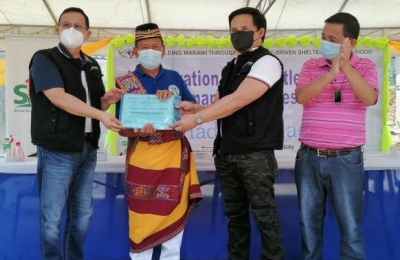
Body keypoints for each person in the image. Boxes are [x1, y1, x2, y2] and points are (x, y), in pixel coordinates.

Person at [170, 7, 285, 260]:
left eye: (245, 30)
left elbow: (238, 101)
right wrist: (197, 108)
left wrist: (197, 119)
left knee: (265, 216)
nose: (238, 35)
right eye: (234, 30)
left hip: (254, 153)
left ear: (260, 32)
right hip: (227, 151)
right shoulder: (230, 66)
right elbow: (221, 106)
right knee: (235, 217)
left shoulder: (267, 62)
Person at [28, 7, 124, 260]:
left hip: (88, 148)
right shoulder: (44, 59)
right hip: (57, 149)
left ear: (87, 33)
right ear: (57, 29)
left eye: (78, 26)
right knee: (52, 217)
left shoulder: (92, 64)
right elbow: (58, 97)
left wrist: (106, 102)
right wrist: (101, 114)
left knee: (82, 214)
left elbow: (94, 106)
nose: (71, 30)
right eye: (65, 24)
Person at [294, 12, 379, 260]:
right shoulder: (311, 65)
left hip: (346, 160)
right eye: (323, 37)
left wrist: (346, 68)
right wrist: (331, 73)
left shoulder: (366, 66)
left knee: (351, 227)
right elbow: (301, 97)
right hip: (308, 158)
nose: (325, 42)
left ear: (351, 42)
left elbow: (369, 98)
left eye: (332, 38)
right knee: (309, 227)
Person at [115, 23, 202, 260]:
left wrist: (173, 103)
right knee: (141, 220)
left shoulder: (174, 78)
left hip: (174, 156)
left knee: (173, 224)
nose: (150, 51)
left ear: (163, 50)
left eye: (155, 46)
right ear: (134, 51)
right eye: (144, 48)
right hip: (142, 157)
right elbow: (121, 129)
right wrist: (136, 131)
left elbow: (193, 112)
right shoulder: (125, 82)